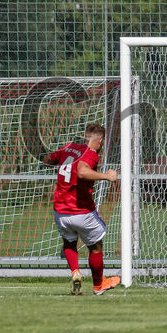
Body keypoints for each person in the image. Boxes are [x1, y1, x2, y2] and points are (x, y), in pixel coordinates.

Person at [43, 123, 120, 296]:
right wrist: (106, 176)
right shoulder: (91, 153)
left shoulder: (69, 147)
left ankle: (75, 272)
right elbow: (83, 171)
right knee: (95, 247)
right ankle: (99, 285)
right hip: (81, 212)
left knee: (69, 242)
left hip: (61, 211)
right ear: (99, 141)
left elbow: (47, 159)